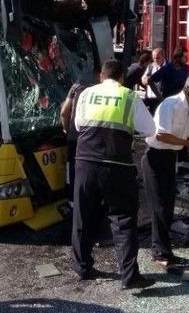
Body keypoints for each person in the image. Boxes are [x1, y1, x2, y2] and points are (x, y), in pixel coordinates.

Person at [71, 59, 156, 290]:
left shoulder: (86, 94)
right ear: (121, 78)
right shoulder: (129, 96)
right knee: (123, 219)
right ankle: (129, 276)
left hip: (85, 163)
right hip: (117, 165)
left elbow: (79, 125)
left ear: (101, 76)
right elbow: (150, 130)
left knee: (82, 214)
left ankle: (82, 267)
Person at [141, 73, 189, 268]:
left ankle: (165, 251)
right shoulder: (171, 104)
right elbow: (162, 135)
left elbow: (188, 135)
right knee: (159, 207)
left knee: (168, 205)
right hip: (155, 157)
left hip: (170, 157)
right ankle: (160, 253)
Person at [59, 65, 100, 203]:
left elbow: (64, 112)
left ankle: (72, 201)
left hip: (74, 137)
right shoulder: (102, 89)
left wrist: (66, 130)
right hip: (95, 140)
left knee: (73, 171)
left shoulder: (77, 85)